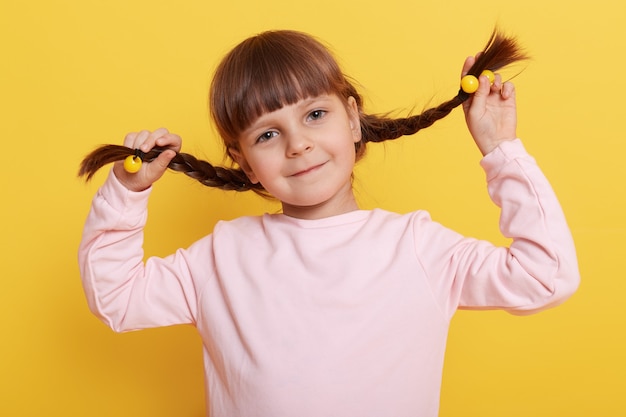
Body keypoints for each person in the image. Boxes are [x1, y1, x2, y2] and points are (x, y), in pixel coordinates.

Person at [78, 29, 579, 417]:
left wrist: (501, 151)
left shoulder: (417, 246)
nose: (298, 144)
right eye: (269, 133)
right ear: (244, 161)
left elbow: (545, 277)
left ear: (352, 118)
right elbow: (116, 298)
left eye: (315, 114)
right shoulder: (221, 256)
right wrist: (128, 192)